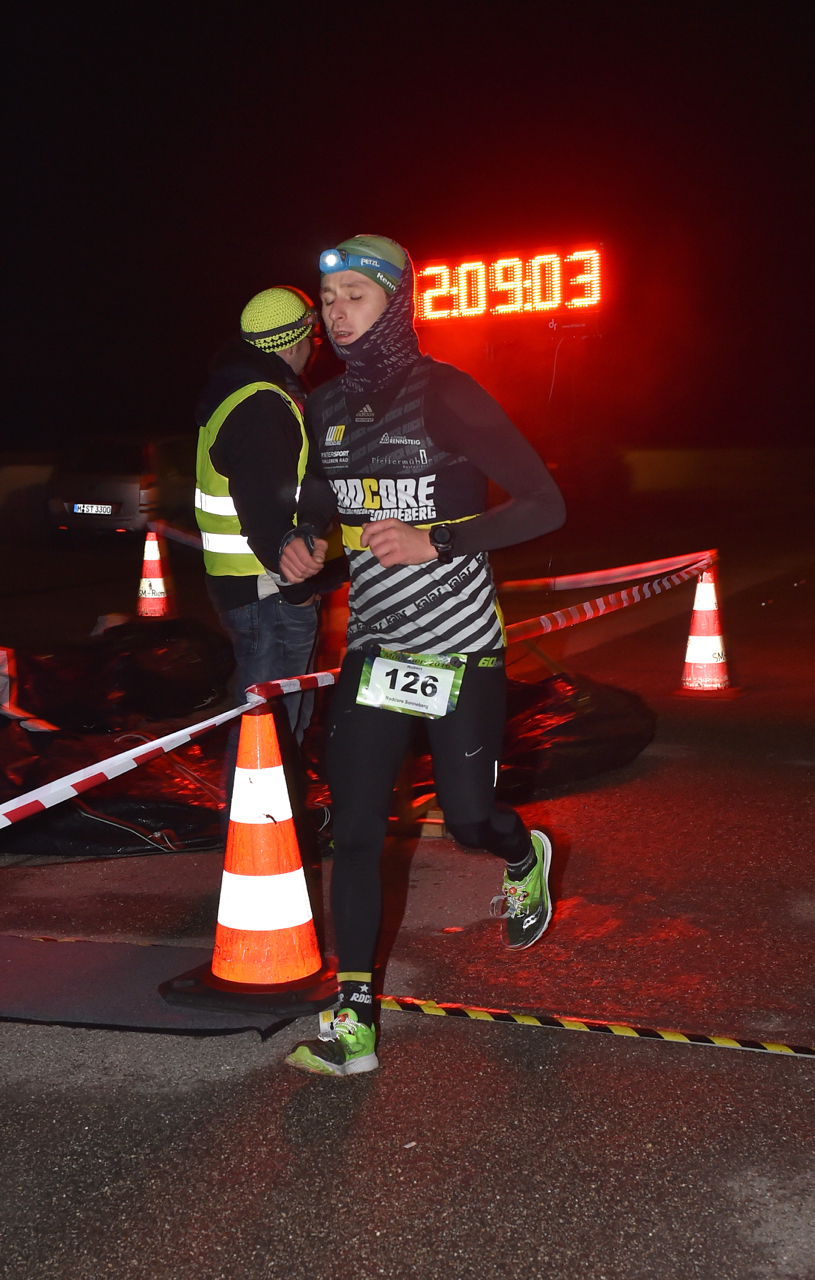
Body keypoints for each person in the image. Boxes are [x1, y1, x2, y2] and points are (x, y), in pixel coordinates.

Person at [279, 236, 566, 1076]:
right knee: (357, 829)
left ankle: (521, 855)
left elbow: (544, 505)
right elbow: (315, 513)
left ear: (395, 304)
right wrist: (303, 553)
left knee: (469, 819)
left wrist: (438, 539)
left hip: (460, 652)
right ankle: (356, 1018)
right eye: (328, 303)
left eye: (354, 299)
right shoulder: (323, 410)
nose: (336, 316)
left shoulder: (446, 395)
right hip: (375, 651)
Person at [195, 286, 319, 744]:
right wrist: (300, 592)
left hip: (245, 584)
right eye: (312, 336)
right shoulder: (264, 405)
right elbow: (266, 518)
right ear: (294, 341)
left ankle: (272, 813)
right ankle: (261, 816)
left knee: (261, 721)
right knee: (271, 732)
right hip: (269, 591)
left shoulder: (235, 391)